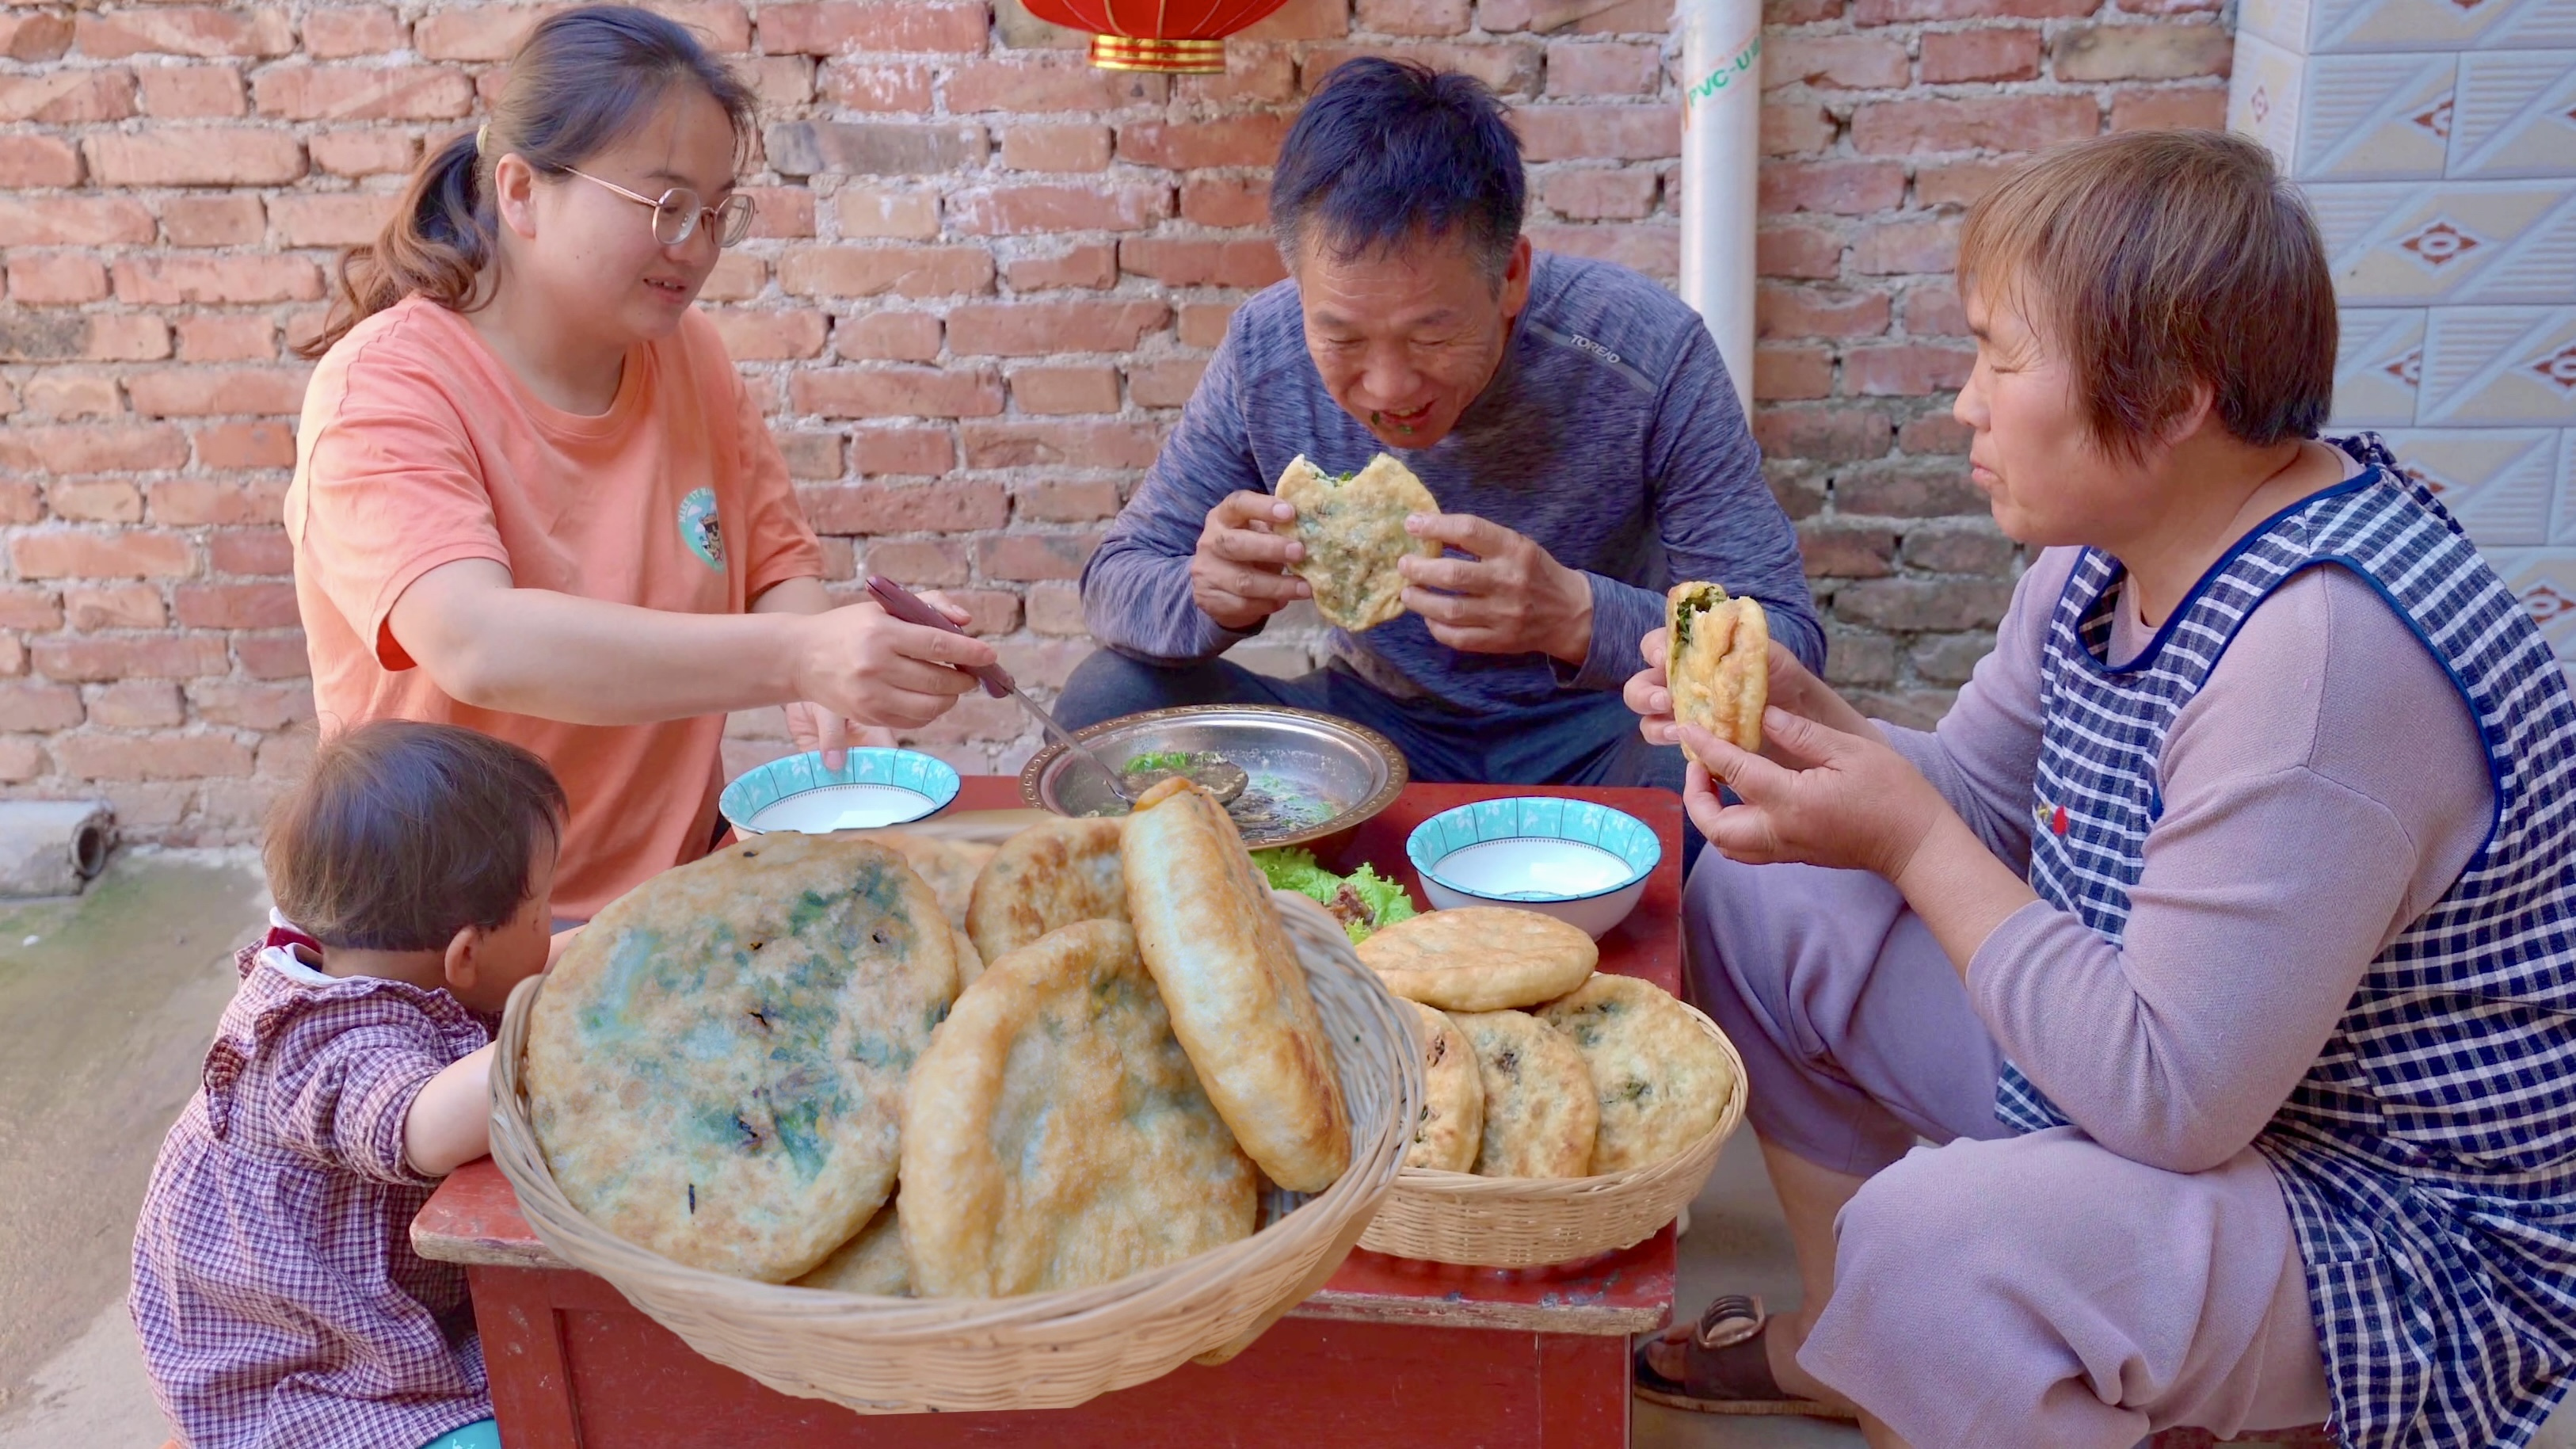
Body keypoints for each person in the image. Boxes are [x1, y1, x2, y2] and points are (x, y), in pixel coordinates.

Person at [1625, 130, 2576, 1447]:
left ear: (2173, 394)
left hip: (2380, 1211)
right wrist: (1796, 718)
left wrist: (1904, 837)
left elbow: (2171, 1096)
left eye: (2000, 358)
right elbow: (1969, 789)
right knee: (1762, 899)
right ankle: (1865, 1346)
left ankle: (1981, 1344)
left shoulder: (2319, 659)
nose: (1963, 401)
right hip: (2192, 1075)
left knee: (1940, 1247)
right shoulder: (2111, 553)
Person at [285, 6, 992, 925]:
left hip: (673, 897)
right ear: (522, 191)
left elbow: (779, 566)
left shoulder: (691, 355)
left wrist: (833, 685)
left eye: (715, 211)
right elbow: (476, 642)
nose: (694, 246)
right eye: (662, 204)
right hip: (458, 938)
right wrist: (801, 655)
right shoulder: (386, 387)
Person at [1065, 59, 1820, 791]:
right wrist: (1204, 594)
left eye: (1431, 337)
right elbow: (1116, 579)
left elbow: (1787, 639)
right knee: (1109, 703)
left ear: (1512, 276)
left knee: (1717, 756)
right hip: (1370, 723)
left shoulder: (1647, 352)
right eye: (1345, 339)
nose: (1389, 387)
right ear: (1298, 286)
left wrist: (1580, 617)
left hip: (1599, 729)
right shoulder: (1264, 351)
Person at [131, 722, 568, 1449]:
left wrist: (617, 939)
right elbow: (423, 1126)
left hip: (358, 1304)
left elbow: (533, 968)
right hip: (295, 1365)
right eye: (544, 911)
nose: (556, 926)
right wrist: (565, 1028)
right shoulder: (324, 1041)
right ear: (464, 953)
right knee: (527, 1426)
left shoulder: (375, 956)